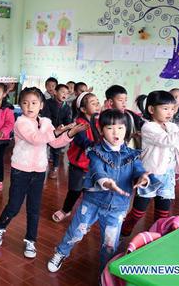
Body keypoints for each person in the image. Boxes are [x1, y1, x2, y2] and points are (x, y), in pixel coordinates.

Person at [47, 109, 150, 273]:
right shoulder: (96, 151)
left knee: (110, 244)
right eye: (110, 128)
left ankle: (105, 272)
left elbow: (138, 170)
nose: (116, 132)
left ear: (127, 130)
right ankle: (60, 253)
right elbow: (97, 171)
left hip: (117, 207)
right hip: (92, 202)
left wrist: (143, 178)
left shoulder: (132, 154)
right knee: (75, 232)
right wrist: (106, 182)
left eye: (120, 128)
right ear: (102, 131)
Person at [0, 87, 85, 258]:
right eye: (25, 103)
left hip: (39, 171)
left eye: (34, 103)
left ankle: (30, 241)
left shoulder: (46, 122)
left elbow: (54, 143)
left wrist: (69, 133)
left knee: (34, 208)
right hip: (21, 170)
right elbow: (36, 139)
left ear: (41, 105)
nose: (29, 107)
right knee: (14, 205)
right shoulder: (20, 122)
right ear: (20, 106)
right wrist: (57, 131)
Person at [120, 91, 179, 237]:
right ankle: (127, 226)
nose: (170, 112)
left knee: (162, 215)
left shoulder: (172, 127)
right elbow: (168, 141)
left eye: (172, 108)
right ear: (151, 109)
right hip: (150, 176)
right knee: (138, 212)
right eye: (165, 108)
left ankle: (156, 237)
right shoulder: (148, 127)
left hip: (168, 177)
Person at [52, 92, 101, 222]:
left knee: (91, 192)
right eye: (93, 103)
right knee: (75, 190)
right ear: (83, 109)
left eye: (97, 102)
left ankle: (87, 216)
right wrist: (98, 145)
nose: (97, 105)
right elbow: (83, 141)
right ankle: (66, 210)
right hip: (79, 165)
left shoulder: (99, 122)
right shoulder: (79, 124)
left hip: (94, 165)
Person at [42, 84, 73, 178]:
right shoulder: (47, 103)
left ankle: (54, 168)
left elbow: (68, 121)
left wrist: (66, 128)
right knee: (42, 148)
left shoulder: (67, 107)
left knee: (56, 151)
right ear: (55, 92)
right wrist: (53, 129)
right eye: (62, 92)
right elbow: (46, 117)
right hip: (47, 131)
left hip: (59, 132)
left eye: (67, 93)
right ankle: (40, 166)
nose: (65, 94)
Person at [104, 84, 144, 148]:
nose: (124, 103)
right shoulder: (105, 118)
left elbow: (142, 124)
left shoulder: (130, 114)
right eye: (120, 100)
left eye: (125, 100)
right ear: (111, 102)